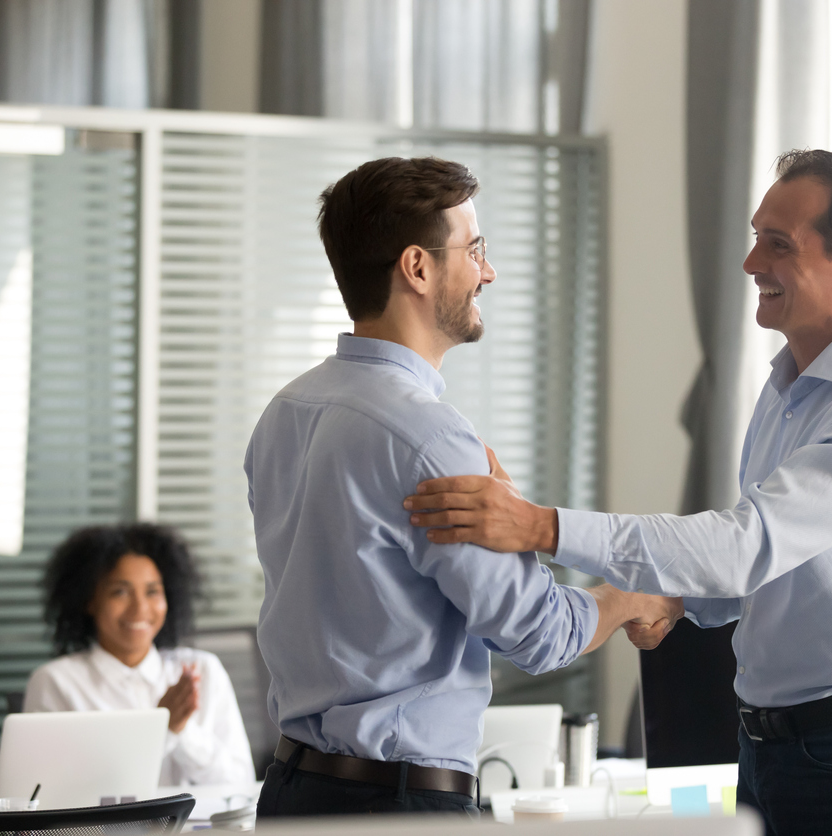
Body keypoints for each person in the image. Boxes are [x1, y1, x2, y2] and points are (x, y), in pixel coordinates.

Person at [404, 149, 832, 835]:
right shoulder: (789, 385)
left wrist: (541, 527)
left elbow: (746, 547)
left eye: (779, 245)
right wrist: (669, 599)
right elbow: (771, 570)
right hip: (771, 745)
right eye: (757, 237)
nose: (751, 263)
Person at [245, 156, 682, 819]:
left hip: (291, 792)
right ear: (417, 268)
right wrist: (624, 599)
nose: (489, 271)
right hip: (394, 805)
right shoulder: (427, 436)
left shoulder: (286, 411)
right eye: (474, 250)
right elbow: (535, 634)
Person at [24, 523, 256, 787]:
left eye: (152, 591)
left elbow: (240, 784)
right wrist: (162, 728)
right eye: (120, 592)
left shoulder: (202, 670)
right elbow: (50, 794)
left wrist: (183, 731)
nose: (140, 608)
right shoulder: (57, 682)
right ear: (89, 600)